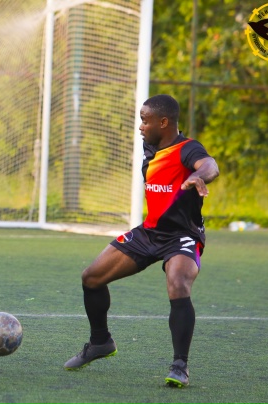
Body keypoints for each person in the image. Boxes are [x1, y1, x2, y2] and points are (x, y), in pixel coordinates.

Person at [63, 94, 219, 388]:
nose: (140, 126)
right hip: (150, 232)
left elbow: (210, 165)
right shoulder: (151, 147)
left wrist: (199, 175)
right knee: (92, 278)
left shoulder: (187, 148)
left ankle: (180, 365)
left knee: (178, 282)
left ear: (164, 122)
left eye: (145, 120)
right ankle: (100, 342)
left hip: (182, 236)